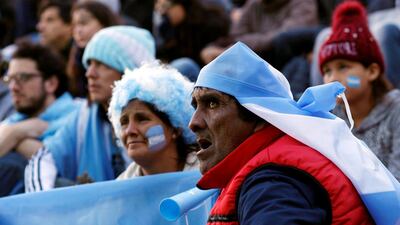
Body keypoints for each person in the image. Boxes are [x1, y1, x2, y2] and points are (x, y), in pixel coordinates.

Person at [189, 41, 400, 224]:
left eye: (213, 103)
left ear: (259, 115)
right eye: (327, 70)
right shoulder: (285, 158)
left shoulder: (272, 184)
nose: (193, 122)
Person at [24, 26, 156, 192]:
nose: (90, 74)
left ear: (128, 72)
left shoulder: (159, 118)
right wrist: (42, 203)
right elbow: (43, 159)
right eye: (89, 64)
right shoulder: (85, 116)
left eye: (102, 65)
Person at [319, 1, 400, 180]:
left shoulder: (396, 110)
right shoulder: (329, 118)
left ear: (372, 71)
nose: (332, 79)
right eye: (327, 71)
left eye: (343, 67)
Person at [0, 42, 78, 196]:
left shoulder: (76, 115)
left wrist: (12, 139)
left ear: (51, 83)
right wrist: (17, 131)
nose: (13, 88)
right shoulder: (15, 121)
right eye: (10, 79)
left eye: (23, 78)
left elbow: (56, 164)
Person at [108, 62, 198, 178]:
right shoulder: (121, 188)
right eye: (124, 122)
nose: (130, 131)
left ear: (176, 128)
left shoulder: (209, 177)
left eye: (142, 119)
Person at [68, 1, 119, 97]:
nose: (78, 30)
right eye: (74, 25)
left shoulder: (119, 54)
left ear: (104, 23)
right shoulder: (76, 58)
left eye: (83, 23)